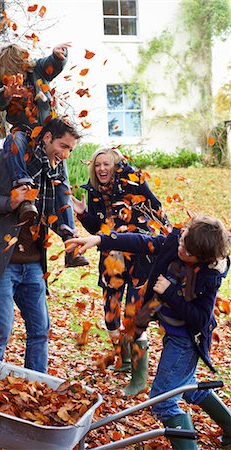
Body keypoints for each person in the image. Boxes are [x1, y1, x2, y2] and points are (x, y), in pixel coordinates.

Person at [65, 215, 231, 449]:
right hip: (172, 333)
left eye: (187, 250)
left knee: (163, 400)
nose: (180, 248)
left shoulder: (209, 276)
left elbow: (202, 320)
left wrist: (169, 293)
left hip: (185, 341)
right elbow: (141, 242)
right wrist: (99, 240)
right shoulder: (176, 241)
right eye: (182, 241)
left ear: (202, 258)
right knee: (186, 385)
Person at [0, 119, 81, 374]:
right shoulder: (4, 159)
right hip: (0, 262)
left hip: (33, 265)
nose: (65, 155)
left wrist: (69, 233)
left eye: (70, 150)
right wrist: (9, 203)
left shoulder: (54, 171)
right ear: (46, 138)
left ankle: (37, 384)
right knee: (1, 329)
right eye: (63, 146)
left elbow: (49, 212)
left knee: (40, 330)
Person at [72, 147, 169, 395]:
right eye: (97, 165)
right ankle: (124, 360)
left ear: (115, 166)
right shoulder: (94, 192)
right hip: (111, 258)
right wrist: (83, 213)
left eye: (107, 164)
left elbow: (156, 208)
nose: (102, 169)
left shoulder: (133, 184)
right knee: (110, 316)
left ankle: (139, 379)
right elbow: (98, 228)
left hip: (139, 257)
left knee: (134, 317)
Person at [0, 42, 88, 267]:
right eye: (10, 76)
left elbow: (52, 65)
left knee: (61, 185)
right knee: (13, 140)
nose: (16, 79)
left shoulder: (36, 72)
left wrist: (58, 56)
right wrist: (6, 93)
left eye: (19, 73)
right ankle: (24, 193)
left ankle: (71, 243)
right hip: (24, 133)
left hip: (47, 134)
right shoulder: (1, 84)